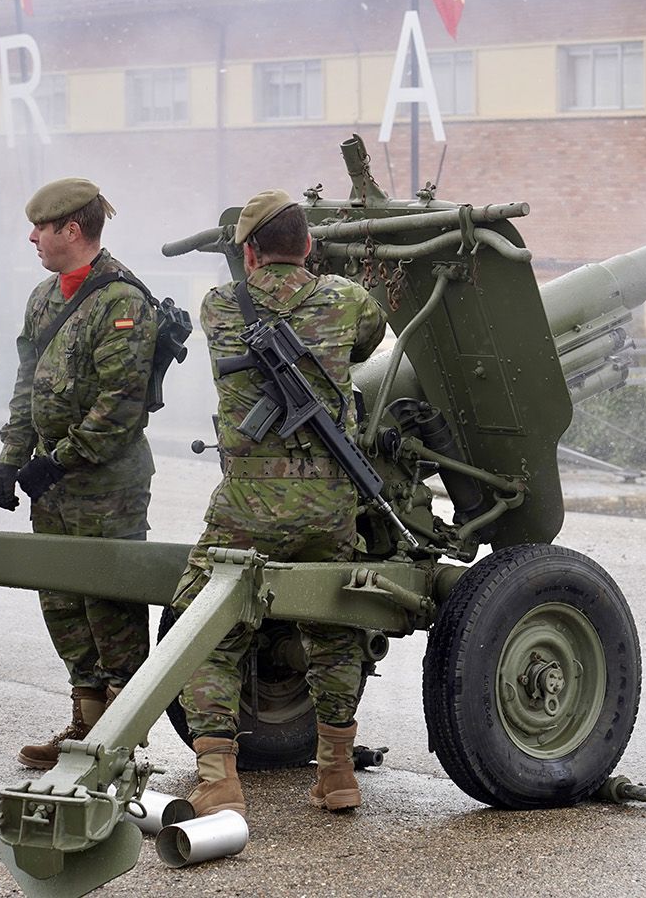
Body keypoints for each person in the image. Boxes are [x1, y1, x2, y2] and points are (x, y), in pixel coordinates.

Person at [170, 189, 387, 819]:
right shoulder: (346, 300)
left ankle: (217, 777)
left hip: (248, 503)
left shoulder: (219, 306)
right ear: (310, 245)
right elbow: (366, 341)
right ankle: (337, 770)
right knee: (336, 628)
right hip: (329, 500)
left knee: (206, 627)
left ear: (247, 251)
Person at [0, 177, 159, 769]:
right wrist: (11, 458)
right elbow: (26, 385)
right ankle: (85, 725)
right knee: (63, 604)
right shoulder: (44, 298)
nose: (32, 237)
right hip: (52, 486)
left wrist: (53, 461)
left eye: (42, 227)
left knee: (109, 609)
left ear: (72, 229)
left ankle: (119, 741)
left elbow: (119, 406)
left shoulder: (122, 301)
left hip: (105, 487)